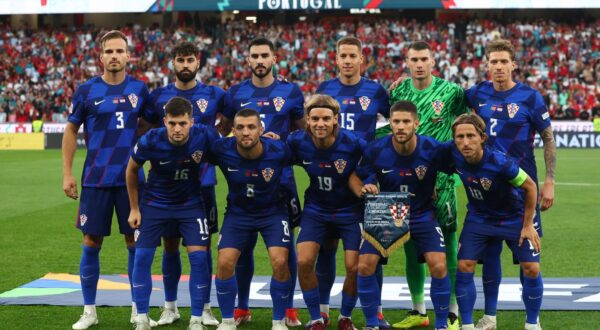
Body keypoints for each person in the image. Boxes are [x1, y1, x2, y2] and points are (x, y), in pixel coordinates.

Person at [62, 30, 151, 330]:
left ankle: (139, 310)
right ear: (100, 57)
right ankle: (89, 311)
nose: (114, 56)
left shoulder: (141, 90)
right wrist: (67, 173)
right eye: (109, 51)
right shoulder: (86, 91)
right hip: (95, 179)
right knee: (90, 242)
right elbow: (71, 131)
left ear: (128, 56)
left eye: (120, 51)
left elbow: (152, 126)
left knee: (135, 243)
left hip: (132, 181)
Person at [464, 39, 555, 330]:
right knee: (489, 258)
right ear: (487, 64)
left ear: (513, 64)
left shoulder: (530, 97)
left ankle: (532, 322)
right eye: (494, 62)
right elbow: (445, 95)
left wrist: (550, 181)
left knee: (530, 264)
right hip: (486, 194)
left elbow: (548, 138)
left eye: (504, 61)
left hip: (522, 193)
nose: (499, 66)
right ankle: (490, 316)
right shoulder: (476, 94)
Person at [222, 37, 305, 327]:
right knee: (242, 243)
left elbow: (300, 134)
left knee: (287, 245)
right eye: (254, 55)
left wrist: (278, 143)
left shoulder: (290, 92)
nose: (259, 60)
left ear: (274, 58)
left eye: (264, 55)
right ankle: (242, 308)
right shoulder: (234, 93)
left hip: (282, 181)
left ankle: (289, 307)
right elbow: (224, 132)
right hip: (244, 180)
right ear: (247, 60)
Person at [142, 41, 225, 326]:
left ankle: (204, 307)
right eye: (181, 60)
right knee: (170, 246)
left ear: (198, 61)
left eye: (190, 59)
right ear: (173, 63)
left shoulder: (214, 94)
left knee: (202, 247)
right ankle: (170, 306)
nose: (185, 64)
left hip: (203, 183)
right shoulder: (158, 96)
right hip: (166, 186)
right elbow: (146, 128)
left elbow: (227, 126)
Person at [387, 40, 468, 330]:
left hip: (443, 180)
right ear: (406, 62)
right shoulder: (398, 90)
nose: (419, 64)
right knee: (409, 245)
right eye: (414, 59)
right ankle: (418, 310)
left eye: (424, 59)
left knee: (448, 245)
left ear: (433, 62)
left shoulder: (452, 92)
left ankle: (453, 312)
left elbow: (466, 120)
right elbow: (393, 125)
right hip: (406, 181)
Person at [350, 101, 452, 330]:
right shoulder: (375, 149)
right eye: (396, 121)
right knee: (365, 265)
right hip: (387, 210)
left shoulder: (432, 148)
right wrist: (364, 189)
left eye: (406, 121)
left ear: (416, 123)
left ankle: (442, 325)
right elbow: (357, 176)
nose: (401, 126)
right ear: (390, 123)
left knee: (438, 265)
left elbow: (460, 167)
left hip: (422, 213)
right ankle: (371, 324)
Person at [315, 36, 390, 328]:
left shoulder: (376, 91)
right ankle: (323, 310)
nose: (347, 60)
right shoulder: (326, 89)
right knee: (328, 246)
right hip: (333, 180)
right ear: (336, 59)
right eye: (342, 55)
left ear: (362, 59)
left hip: (368, 177)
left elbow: (394, 121)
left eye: (352, 56)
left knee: (375, 247)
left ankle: (378, 310)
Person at [126, 96, 219, 330]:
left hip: (190, 204)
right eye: (172, 123)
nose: (177, 129)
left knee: (199, 257)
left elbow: (229, 153)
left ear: (192, 121)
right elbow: (131, 169)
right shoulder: (151, 139)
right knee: (142, 257)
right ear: (165, 121)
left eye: (183, 123)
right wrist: (135, 208)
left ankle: (196, 319)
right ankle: (143, 319)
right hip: (155, 205)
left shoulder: (205, 135)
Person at [445, 113, 542, 330]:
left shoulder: (499, 162)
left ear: (482, 138)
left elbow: (530, 187)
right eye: (459, 137)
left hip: (513, 218)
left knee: (531, 268)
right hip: (479, 218)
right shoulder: (452, 153)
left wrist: (527, 225)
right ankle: (468, 325)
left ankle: (532, 324)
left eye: (470, 136)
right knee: (464, 265)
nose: (465, 142)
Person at [288, 95, 366, 330]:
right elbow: (275, 156)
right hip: (316, 210)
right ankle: (316, 318)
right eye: (314, 119)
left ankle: (345, 317)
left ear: (335, 120)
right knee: (303, 260)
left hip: (350, 211)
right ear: (308, 121)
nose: (320, 123)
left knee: (354, 267)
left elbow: (374, 166)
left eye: (325, 118)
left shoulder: (353, 143)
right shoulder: (297, 142)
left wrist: (367, 188)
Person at [212, 109, 293, 330]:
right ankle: (228, 320)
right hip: (238, 213)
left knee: (279, 261)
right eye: (240, 127)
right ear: (233, 130)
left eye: (251, 127)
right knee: (225, 262)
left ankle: (278, 321)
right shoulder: (221, 149)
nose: (246, 132)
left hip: (273, 212)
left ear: (261, 129)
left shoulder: (279, 150)